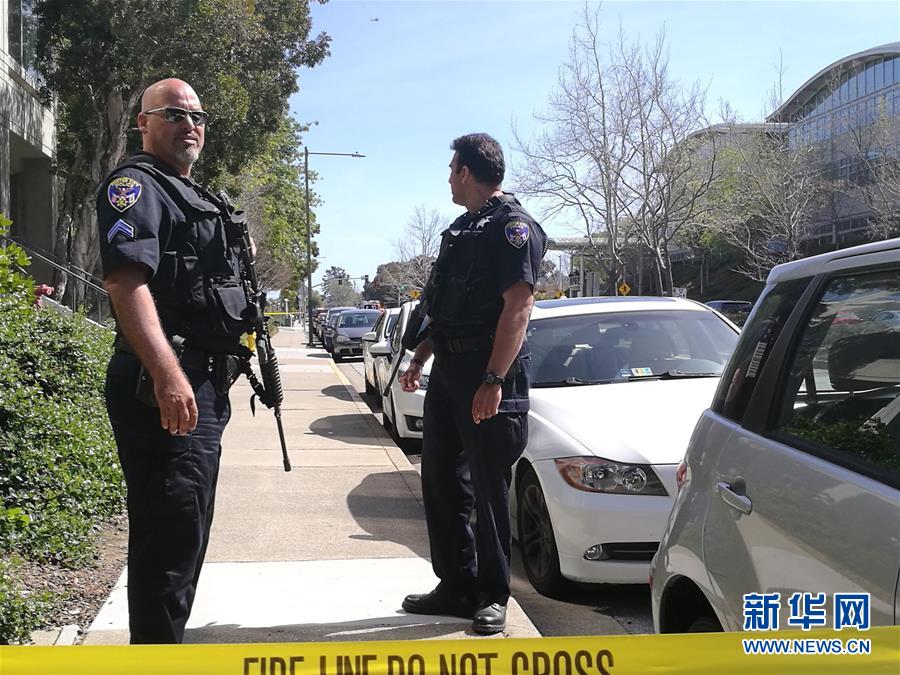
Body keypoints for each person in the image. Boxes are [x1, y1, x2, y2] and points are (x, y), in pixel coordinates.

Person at [97, 78, 250, 643]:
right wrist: (167, 373)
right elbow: (125, 283)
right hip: (160, 385)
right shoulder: (135, 188)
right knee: (170, 538)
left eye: (198, 116)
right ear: (144, 123)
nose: (191, 124)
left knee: (184, 535)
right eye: (174, 114)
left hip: (201, 385)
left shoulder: (193, 195)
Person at [400, 133, 546, 635]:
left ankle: (492, 593)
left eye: (451, 168)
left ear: (465, 171)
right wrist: (420, 357)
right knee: (441, 481)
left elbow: (518, 308)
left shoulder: (513, 229)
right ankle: (456, 583)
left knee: (488, 488)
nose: (447, 178)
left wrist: (493, 379)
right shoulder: (463, 231)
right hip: (449, 372)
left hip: (490, 373)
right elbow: (446, 309)